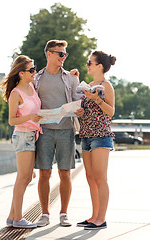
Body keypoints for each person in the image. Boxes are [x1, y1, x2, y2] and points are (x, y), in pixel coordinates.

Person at [34, 40, 84, 227]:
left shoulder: (71, 77)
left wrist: (80, 109)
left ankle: (64, 214)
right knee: (44, 173)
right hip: (44, 131)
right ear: (49, 53)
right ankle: (45, 214)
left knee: (64, 173)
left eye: (65, 54)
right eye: (60, 54)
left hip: (66, 131)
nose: (63, 57)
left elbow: (79, 100)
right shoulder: (36, 78)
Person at [0, 55, 42, 228]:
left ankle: (12, 217)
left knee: (27, 177)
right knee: (23, 177)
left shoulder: (32, 86)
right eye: (31, 70)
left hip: (32, 134)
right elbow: (11, 121)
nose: (35, 72)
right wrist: (30, 117)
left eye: (34, 68)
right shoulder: (15, 94)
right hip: (23, 136)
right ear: (21, 73)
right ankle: (18, 218)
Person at [77, 51, 116, 230]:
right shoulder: (89, 85)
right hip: (86, 134)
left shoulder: (106, 86)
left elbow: (111, 112)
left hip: (101, 135)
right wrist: (80, 111)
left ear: (100, 66)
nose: (88, 65)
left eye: (90, 62)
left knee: (100, 178)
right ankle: (94, 216)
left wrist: (96, 100)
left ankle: (101, 219)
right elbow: (87, 110)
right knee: (90, 177)